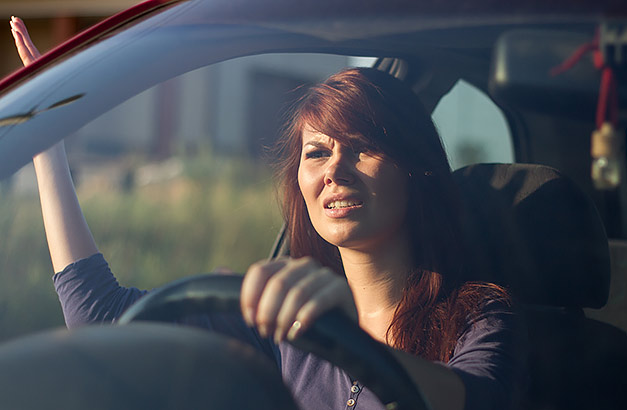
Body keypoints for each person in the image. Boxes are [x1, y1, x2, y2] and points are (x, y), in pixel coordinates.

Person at [11, 17, 526, 410]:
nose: (335, 170)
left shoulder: (478, 316)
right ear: (299, 184)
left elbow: (473, 398)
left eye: (363, 146)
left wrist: (342, 337)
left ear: (416, 170)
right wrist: (46, 145)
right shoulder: (282, 325)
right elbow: (97, 316)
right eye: (317, 152)